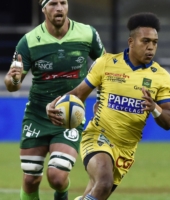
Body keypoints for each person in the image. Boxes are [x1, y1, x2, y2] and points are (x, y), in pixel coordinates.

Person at [46, 12, 170, 200]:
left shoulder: (161, 77)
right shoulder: (106, 63)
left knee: (95, 193)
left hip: (125, 150)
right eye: (145, 41)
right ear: (131, 41)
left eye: (154, 42)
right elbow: (77, 94)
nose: (151, 47)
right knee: (104, 182)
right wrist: (54, 104)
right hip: (98, 136)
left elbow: (169, 120)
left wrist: (154, 107)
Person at [4, 0, 105, 200]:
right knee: (31, 179)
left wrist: (102, 97)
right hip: (37, 115)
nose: (59, 8)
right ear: (43, 9)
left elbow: (106, 66)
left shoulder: (87, 34)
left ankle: (62, 194)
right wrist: (13, 78)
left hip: (69, 115)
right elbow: (12, 83)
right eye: (52, 3)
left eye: (63, 3)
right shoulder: (29, 41)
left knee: (57, 177)